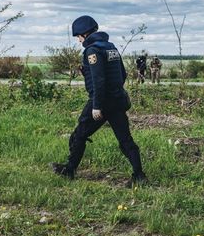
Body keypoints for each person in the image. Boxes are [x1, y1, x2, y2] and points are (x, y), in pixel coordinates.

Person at [52, 15, 147, 187]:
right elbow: (122, 74)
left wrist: (97, 106)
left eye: (78, 36)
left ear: (84, 33)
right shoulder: (111, 48)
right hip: (117, 100)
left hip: (101, 101)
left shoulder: (92, 51)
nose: (78, 39)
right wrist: (114, 90)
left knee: (79, 134)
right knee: (125, 140)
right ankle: (139, 175)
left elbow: (99, 80)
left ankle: (70, 170)